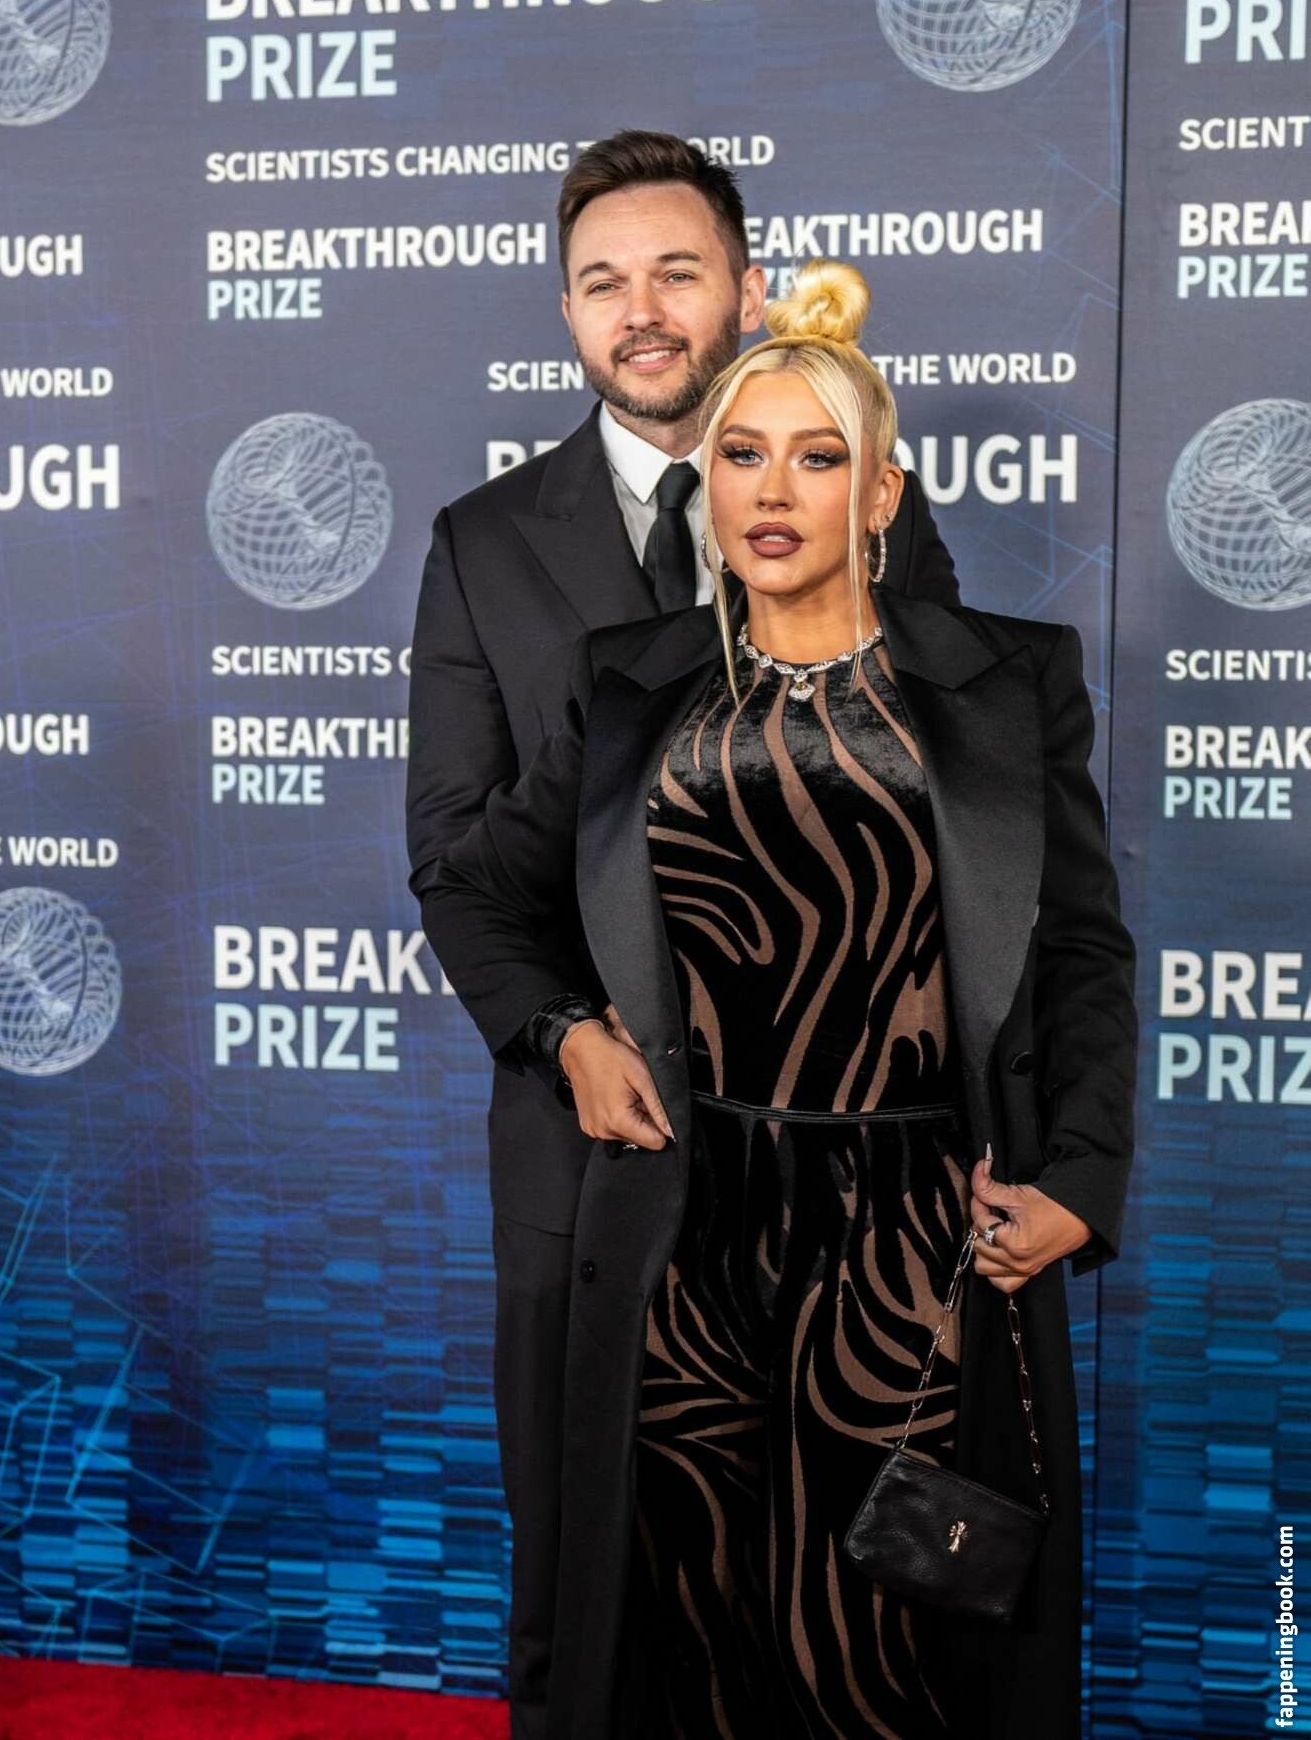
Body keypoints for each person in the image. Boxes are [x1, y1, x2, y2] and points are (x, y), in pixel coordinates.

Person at [417, 257, 1137, 1740]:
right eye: (743, 453)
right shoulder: (633, 686)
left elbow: (1078, 950)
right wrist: (564, 1035)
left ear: (880, 498)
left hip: (921, 1247)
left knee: (888, 1646)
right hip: (688, 1235)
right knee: (696, 1631)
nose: (773, 490)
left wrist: (1083, 1174)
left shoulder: (1006, 685)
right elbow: (476, 891)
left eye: (819, 459)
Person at [405, 131, 962, 1739]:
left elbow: (948, 819)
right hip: (592, 1141)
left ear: (746, 288)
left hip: (845, 1156)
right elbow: (454, 859)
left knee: (817, 1591)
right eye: (603, 282)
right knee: (582, 1582)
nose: (640, 311)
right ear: (566, 312)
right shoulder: (483, 542)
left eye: (676, 272)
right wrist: (563, 1034)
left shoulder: (860, 499)